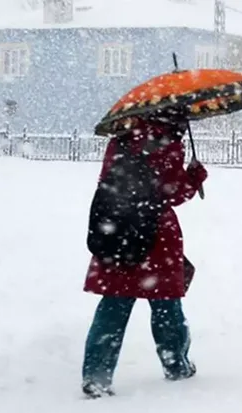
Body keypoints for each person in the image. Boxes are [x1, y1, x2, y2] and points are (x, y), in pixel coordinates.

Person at [80, 119, 208, 398]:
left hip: (119, 229)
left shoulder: (120, 139)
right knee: (166, 305)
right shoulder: (167, 141)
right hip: (155, 234)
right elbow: (173, 193)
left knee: (113, 305)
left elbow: (108, 181)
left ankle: (96, 376)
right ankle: (176, 365)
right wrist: (194, 177)